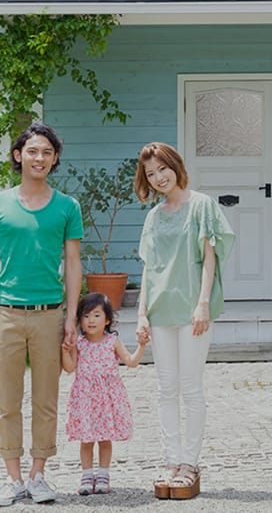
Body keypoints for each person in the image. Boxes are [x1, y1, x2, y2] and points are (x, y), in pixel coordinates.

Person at [134, 142, 234, 500]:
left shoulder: (202, 206)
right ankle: (172, 461)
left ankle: (190, 464)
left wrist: (203, 304)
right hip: (160, 311)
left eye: (163, 169)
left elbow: (210, 259)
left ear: (175, 166)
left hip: (192, 309)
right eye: (150, 173)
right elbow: (149, 269)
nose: (159, 178)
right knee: (165, 389)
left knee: (191, 388)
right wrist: (142, 313)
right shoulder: (154, 216)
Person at [0, 123, 83, 506]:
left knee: (46, 399)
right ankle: (12, 479)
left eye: (47, 152)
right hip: (6, 314)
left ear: (54, 159)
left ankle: (38, 476)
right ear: (18, 156)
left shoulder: (67, 207)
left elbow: (73, 261)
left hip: (50, 314)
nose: (39, 158)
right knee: (6, 401)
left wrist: (70, 317)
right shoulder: (2, 202)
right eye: (32, 151)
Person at [62, 292, 146, 496]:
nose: (91, 320)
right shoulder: (80, 343)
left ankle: (103, 474)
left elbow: (131, 362)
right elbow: (70, 367)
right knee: (86, 439)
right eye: (86, 315)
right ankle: (86, 474)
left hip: (106, 399)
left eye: (97, 315)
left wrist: (142, 345)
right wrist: (66, 350)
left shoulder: (112, 341)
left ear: (107, 319)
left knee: (105, 438)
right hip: (85, 398)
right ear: (80, 320)